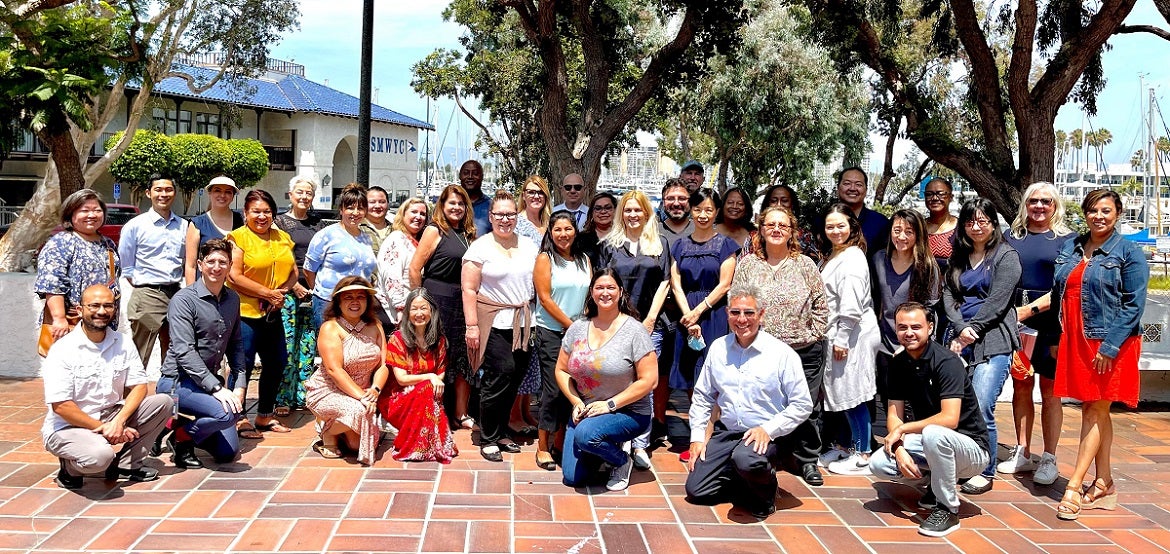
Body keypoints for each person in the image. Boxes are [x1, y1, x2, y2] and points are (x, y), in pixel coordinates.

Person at [1052, 189, 1148, 520]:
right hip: (1075, 337)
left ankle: (1074, 487)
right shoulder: (1072, 246)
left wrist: (1110, 346)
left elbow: (1133, 306)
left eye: (1106, 210)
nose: (1099, 216)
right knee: (1094, 409)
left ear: (1117, 213)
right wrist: (1056, 334)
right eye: (1093, 210)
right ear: (1085, 213)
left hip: (1109, 342)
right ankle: (1104, 481)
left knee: (1094, 408)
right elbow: (1061, 294)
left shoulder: (1129, 252)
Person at [684, 285, 813, 520]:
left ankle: (766, 491)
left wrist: (768, 430)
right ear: (727, 314)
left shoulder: (781, 354)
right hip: (728, 431)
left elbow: (802, 404)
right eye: (735, 312)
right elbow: (703, 397)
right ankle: (743, 478)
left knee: (746, 459)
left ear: (761, 314)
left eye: (749, 313)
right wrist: (697, 438)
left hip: (766, 433)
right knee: (697, 490)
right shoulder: (717, 349)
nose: (742, 319)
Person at [869, 302, 990, 538]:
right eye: (902, 327)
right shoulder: (898, 363)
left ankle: (947, 509)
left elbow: (950, 418)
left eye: (916, 326)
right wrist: (899, 447)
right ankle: (936, 484)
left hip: (972, 451)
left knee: (934, 432)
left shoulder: (947, 362)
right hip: (933, 443)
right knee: (878, 463)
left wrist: (903, 429)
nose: (909, 332)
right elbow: (894, 413)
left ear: (930, 327)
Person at [732, 206, 829, 486]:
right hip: (761, 349)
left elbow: (821, 305)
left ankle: (807, 460)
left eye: (783, 226)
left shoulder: (805, 264)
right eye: (770, 225)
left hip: (803, 349)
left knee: (806, 407)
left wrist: (812, 333)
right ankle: (765, 455)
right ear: (761, 230)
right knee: (765, 404)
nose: (776, 230)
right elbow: (737, 300)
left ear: (792, 232)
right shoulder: (748, 264)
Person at [43, 284, 173, 489]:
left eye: (108, 306)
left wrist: (119, 421)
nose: (102, 311)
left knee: (163, 402)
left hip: (111, 415)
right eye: (94, 305)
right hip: (69, 426)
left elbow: (139, 386)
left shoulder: (123, 342)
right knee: (100, 457)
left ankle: (126, 464)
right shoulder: (63, 350)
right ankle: (70, 469)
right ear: (80, 310)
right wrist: (104, 429)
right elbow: (62, 406)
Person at [941, 198, 1021, 495]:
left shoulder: (1006, 256)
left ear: (993, 224)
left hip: (994, 338)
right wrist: (961, 328)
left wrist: (972, 329)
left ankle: (985, 469)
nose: (976, 227)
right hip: (960, 337)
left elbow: (999, 301)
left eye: (982, 221)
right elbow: (948, 294)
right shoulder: (959, 256)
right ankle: (965, 462)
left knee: (982, 403)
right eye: (970, 221)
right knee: (957, 405)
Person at [998, 182, 1074, 486]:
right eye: (1033, 201)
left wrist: (1028, 311)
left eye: (1046, 201)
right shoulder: (1010, 237)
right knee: (1021, 385)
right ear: (1025, 204)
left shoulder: (1068, 240)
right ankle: (1023, 450)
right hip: (1016, 321)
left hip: (1051, 321)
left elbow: (1064, 287)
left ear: (1055, 205)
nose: (1039, 206)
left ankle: (1050, 456)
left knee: (1051, 392)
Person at [555, 268, 657, 490]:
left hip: (628, 411)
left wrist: (609, 405)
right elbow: (561, 370)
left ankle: (621, 461)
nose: (605, 293)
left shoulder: (634, 331)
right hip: (587, 412)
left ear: (620, 292)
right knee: (573, 478)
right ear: (591, 292)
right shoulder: (577, 328)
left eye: (610, 287)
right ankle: (602, 446)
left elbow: (650, 381)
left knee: (586, 435)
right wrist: (576, 402)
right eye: (599, 287)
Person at [462, 191, 539, 462]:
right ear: (491, 217)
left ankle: (503, 430)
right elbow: (469, 289)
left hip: (523, 322)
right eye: (499, 215)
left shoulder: (530, 245)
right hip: (493, 319)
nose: (505, 219)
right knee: (498, 376)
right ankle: (489, 436)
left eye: (510, 214)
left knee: (515, 377)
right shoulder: (480, 247)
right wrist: (472, 326)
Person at [157, 239, 247, 467]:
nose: (216, 267)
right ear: (200, 264)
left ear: (230, 266)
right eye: (211, 262)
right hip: (177, 383)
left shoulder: (233, 299)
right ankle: (181, 435)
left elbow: (236, 343)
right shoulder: (183, 300)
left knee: (227, 453)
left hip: (206, 384)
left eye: (223, 262)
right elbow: (184, 351)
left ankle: (179, 427)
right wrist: (217, 388)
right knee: (227, 414)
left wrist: (240, 385)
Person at [598, 190, 671, 469]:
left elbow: (665, 282)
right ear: (621, 214)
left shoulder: (660, 243)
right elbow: (604, 285)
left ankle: (641, 444)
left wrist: (650, 319)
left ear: (646, 213)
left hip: (650, 325)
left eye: (637, 210)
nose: (632, 215)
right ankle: (617, 439)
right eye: (627, 210)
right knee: (615, 380)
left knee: (645, 385)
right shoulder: (610, 245)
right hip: (616, 325)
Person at [668, 189, 738, 459]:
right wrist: (687, 315)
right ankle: (696, 434)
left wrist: (699, 311)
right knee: (689, 374)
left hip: (714, 315)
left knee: (714, 377)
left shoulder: (726, 245)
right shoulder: (680, 245)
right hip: (687, 315)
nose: (703, 215)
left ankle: (710, 438)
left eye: (708, 209)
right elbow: (675, 282)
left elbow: (725, 284)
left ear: (716, 211)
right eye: (698, 210)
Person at [226, 190, 298, 435]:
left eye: (267, 211)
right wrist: (266, 294)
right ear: (245, 213)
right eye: (256, 211)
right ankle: (237, 417)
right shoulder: (237, 238)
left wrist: (280, 293)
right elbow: (234, 276)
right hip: (244, 311)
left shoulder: (282, 237)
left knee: (277, 362)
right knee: (241, 365)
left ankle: (265, 415)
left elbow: (293, 273)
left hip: (273, 311)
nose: (261, 216)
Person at [869, 209, 939, 447]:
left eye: (909, 232)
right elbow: (873, 298)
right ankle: (892, 445)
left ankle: (915, 446)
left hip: (913, 342)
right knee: (886, 396)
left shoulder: (927, 266)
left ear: (918, 235)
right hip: (883, 339)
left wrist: (912, 344)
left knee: (914, 399)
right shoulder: (879, 259)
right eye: (897, 230)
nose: (902, 237)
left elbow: (931, 308)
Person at [818, 204, 879, 476]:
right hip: (837, 333)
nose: (835, 231)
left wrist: (842, 338)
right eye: (830, 226)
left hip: (851, 334)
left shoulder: (853, 258)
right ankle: (844, 445)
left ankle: (862, 453)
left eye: (841, 225)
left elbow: (851, 305)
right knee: (841, 393)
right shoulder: (835, 254)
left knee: (854, 394)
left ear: (852, 227)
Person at [410, 185, 477, 430]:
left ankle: (461, 413)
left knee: (463, 358)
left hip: (463, 301)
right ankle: (433, 411)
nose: (456, 208)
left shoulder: (470, 234)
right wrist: (419, 301)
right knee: (436, 356)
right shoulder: (434, 230)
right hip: (437, 299)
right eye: (452, 203)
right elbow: (415, 268)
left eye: (461, 203)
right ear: (442, 205)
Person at [305, 277, 390, 465]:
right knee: (361, 413)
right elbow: (334, 370)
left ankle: (343, 430)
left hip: (364, 392)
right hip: (328, 391)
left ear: (367, 301)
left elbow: (384, 365)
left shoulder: (375, 326)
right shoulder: (330, 328)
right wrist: (362, 397)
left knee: (356, 445)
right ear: (338, 302)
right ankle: (326, 431)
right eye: (348, 297)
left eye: (360, 297)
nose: (355, 302)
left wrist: (375, 390)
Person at [532, 211, 592, 470]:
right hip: (553, 333)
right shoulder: (545, 259)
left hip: (580, 334)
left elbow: (590, 295)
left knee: (576, 390)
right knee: (554, 390)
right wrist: (571, 326)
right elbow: (545, 299)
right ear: (550, 232)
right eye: (558, 230)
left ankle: (561, 442)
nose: (563, 234)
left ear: (575, 232)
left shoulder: (584, 259)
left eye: (568, 229)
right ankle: (542, 446)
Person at [377, 288, 458, 463]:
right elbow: (401, 379)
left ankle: (429, 443)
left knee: (428, 389)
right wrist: (430, 377)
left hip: (426, 395)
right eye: (414, 309)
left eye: (424, 308)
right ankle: (417, 447)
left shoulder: (440, 340)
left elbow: (441, 373)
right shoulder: (397, 339)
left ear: (432, 311)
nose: (419, 313)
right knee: (428, 387)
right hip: (398, 398)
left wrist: (432, 379)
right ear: (407, 312)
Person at [119, 174, 187, 372]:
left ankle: (169, 397)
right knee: (140, 354)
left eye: (168, 190)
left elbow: (186, 262)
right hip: (147, 294)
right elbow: (127, 265)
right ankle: (130, 400)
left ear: (174, 193)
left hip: (175, 293)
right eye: (158, 190)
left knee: (174, 353)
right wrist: (145, 285)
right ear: (149, 193)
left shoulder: (183, 226)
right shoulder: (135, 225)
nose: (163, 194)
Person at [36, 189, 121, 344]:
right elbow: (52, 284)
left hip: (103, 320)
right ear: (71, 214)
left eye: (97, 210)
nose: (92, 215)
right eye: (85, 211)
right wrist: (59, 318)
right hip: (72, 322)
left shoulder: (108, 243)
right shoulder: (61, 243)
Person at [273, 176, 326, 417]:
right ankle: (283, 396)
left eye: (309, 193)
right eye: (300, 192)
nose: (304, 197)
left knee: (308, 345)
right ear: (290, 194)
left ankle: (303, 395)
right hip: (288, 291)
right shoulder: (279, 223)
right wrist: (294, 286)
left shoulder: (319, 224)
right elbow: (278, 258)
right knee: (287, 344)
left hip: (314, 291)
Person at [304, 183, 378, 332]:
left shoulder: (368, 237)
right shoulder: (326, 235)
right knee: (333, 349)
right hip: (329, 303)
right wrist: (321, 293)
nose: (355, 213)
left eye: (360, 208)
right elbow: (308, 270)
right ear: (341, 209)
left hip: (359, 305)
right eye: (350, 207)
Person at [512, 175, 554, 435]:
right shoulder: (516, 223)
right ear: (523, 195)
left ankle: (526, 410)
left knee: (534, 360)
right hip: (523, 297)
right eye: (530, 192)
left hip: (545, 298)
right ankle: (514, 414)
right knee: (521, 356)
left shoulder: (549, 223)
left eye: (540, 192)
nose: (535, 196)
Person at [376, 197, 429, 324]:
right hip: (394, 311)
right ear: (403, 214)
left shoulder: (417, 242)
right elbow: (391, 275)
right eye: (414, 212)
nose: (418, 217)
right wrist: (399, 308)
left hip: (411, 308)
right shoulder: (396, 239)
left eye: (423, 214)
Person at [183, 175, 243, 285]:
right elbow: (190, 265)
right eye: (217, 191)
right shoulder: (197, 224)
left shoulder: (242, 221)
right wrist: (192, 297)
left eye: (228, 192)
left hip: (236, 292)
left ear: (233, 195)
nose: (222, 195)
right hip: (204, 291)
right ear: (209, 193)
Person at [829, 166, 889, 252]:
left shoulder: (880, 223)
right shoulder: (823, 221)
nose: (852, 188)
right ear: (838, 188)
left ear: (866, 190)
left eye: (858, 184)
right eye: (847, 183)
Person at [760, 184, 817, 260]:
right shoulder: (753, 238)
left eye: (785, 200)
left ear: (792, 204)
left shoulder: (806, 237)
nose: (779, 205)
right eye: (774, 201)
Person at [923, 177, 958, 271]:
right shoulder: (918, 227)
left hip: (953, 283)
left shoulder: (962, 228)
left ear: (951, 197)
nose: (934, 198)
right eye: (929, 194)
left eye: (940, 194)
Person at [576, 192, 617, 267]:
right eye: (598, 208)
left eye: (608, 208)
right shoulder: (580, 239)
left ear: (615, 210)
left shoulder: (624, 238)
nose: (603, 212)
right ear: (592, 213)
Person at [460, 160, 493, 236]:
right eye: (466, 173)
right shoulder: (450, 206)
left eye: (475, 174)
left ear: (482, 177)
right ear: (460, 176)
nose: (470, 176)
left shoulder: (491, 206)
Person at [360, 185, 394, 256]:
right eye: (372, 202)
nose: (377, 206)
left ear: (388, 204)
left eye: (382, 202)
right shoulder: (355, 229)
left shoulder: (397, 229)